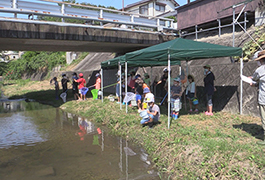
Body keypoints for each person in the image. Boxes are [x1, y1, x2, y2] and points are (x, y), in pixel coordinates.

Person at [250, 50, 265, 145]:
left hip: (264, 98)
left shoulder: (260, 70)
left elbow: (254, 79)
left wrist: (252, 82)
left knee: (264, 118)